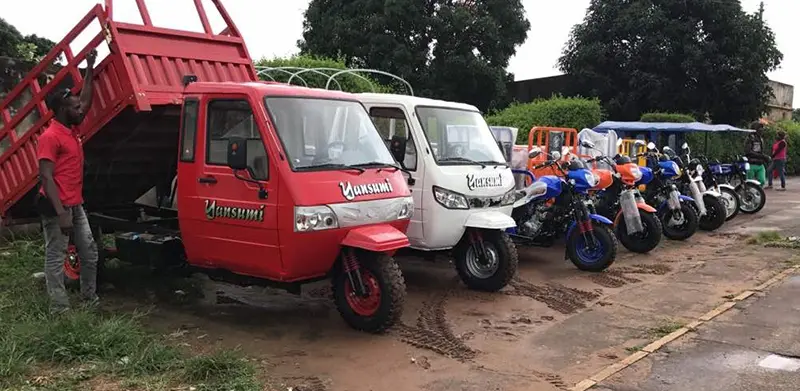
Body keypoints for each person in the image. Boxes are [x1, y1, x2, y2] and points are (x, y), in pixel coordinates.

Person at [36, 49, 98, 314]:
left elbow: (85, 99)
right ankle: (59, 310)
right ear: (62, 110)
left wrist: (90, 68)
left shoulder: (71, 129)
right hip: (56, 206)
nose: (80, 110)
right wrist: (61, 213)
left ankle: (89, 300)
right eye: (74, 108)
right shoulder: (50, 137)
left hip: (75, 203)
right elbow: (45, 177)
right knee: (55, 257)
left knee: (90, 252)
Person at [744, 121, 771, 187]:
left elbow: (760, 151)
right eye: (760, 128)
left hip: (760, 163)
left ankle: (758, 195)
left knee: (762, 181)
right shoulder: (750, 138)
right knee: (749, 183)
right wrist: (763, 156)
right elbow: (748, 151)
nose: (762, 130)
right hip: (751, 163)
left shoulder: (761, 139)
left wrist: (765, 158)